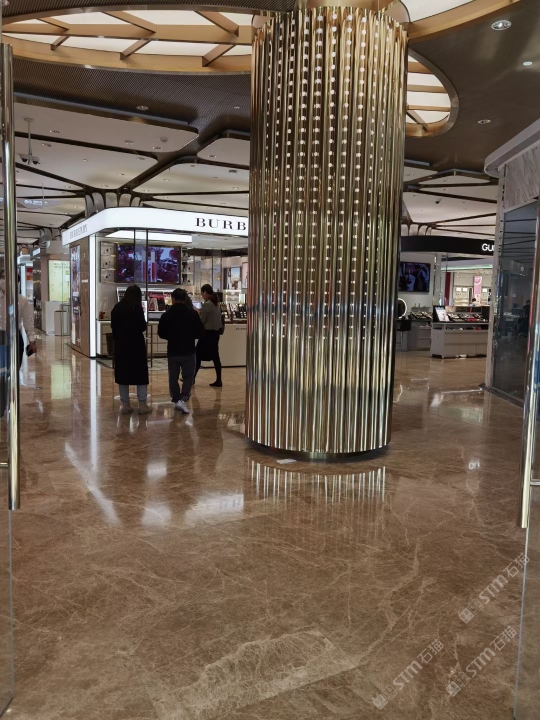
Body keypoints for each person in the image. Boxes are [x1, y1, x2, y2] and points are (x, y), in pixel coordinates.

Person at [158, 288, 204, 414]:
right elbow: (200, 332)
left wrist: (171, 336)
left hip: (173, 350)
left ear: (173, 299)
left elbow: (161, 333)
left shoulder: (166, 315)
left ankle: (176, 398)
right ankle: (183, 398)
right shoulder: (192, 314)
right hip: (188, 350)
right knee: (188, 376)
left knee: (173, 376)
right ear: (185, 299)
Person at [110, 285, 151, 415]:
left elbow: (113, 327)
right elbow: (142, 327)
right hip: (136, 345)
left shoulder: (117, 308)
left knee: (123, 374)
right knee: (140, 375)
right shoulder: (137, 309)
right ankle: (142, 404)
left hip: (121, 346)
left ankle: (125, 405)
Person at [196, 284, 223, 388]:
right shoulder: (216, 303)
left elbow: (202, 320)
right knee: (215, 357)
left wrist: (198, 313)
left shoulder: (207, 304)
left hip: (207, 334)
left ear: (205, 292)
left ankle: (191, 378)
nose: (202, 295)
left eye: (202, 293)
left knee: (197, 355)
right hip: (215, 334)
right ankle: (219, 380)